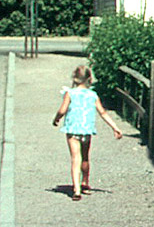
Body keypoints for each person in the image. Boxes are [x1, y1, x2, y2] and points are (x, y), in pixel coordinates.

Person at [52, 64, 123, 201]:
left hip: (72, 130)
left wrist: (56, 119)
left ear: (75, 78)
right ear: (89, 78)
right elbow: (102, 112)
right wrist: (115, 127)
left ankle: (76, 189)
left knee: (75, 158)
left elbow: (62, 110)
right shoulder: (93, 95)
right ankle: (85, 182)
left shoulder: (70, 93)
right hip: (86, 130)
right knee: (85, 157)